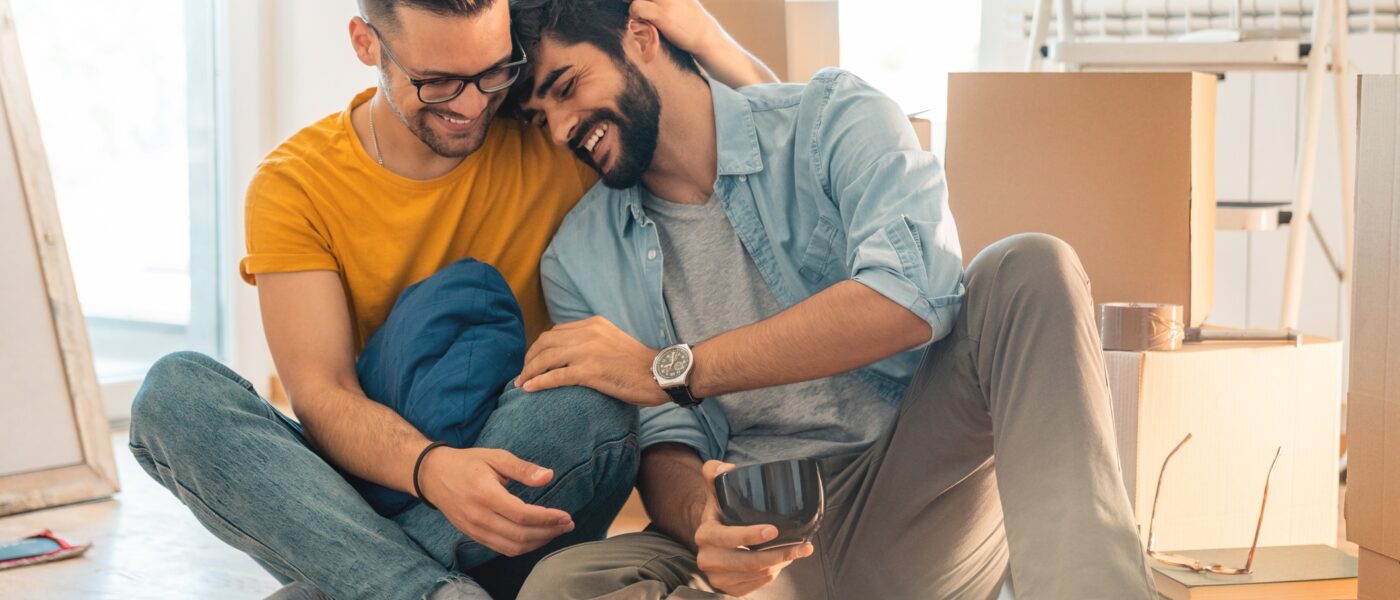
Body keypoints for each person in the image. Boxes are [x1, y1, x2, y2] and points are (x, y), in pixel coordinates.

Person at [123, 1, 778, 599]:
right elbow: (321, 395)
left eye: (493, 73)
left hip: (524, 470)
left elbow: (763, 141)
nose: (470, 105)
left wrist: (709, 39)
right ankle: (429, 589)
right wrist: (430, 469)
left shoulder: (550, 128)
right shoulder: (294, 185)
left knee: (588, 395)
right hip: (378, 480)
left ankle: (364, 579)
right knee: (172, 393)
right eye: (437, 82)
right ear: (365, 43)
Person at [507, 0, 1160, 597]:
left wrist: (671, 368)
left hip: (914, 496)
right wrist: (707, 527)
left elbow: (912, 296)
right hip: (764, 533)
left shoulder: (833, 119)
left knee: (1030, 267)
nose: (562, 129)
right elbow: (664, 444)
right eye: (542, 117)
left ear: (642, 36)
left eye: (567, 87)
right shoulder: (579, 255)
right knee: (562, 585)